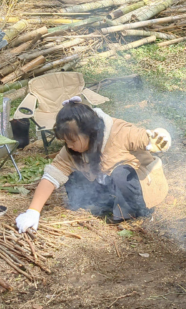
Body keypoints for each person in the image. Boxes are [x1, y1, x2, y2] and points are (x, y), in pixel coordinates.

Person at [15, 97, 171, 233]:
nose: (69, 146)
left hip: (140, 189)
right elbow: (52, 175)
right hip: (109, 185)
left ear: (89, 132)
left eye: (73, 140)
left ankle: (131, 213)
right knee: (73, 174)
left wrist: (160, 139)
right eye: (66, 141)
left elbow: (146, 137)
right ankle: (101, 206)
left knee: (121, 173)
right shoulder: (71, 149)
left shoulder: (118, 132)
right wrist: (33, 211)